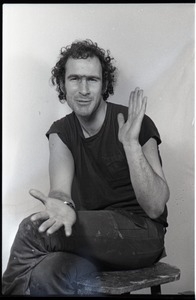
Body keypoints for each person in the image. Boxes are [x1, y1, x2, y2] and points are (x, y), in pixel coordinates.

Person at [2, 39, 170, 296]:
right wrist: (65, 207)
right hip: (91, 239)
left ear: (104, 85)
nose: (83, 89)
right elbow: (60, 191)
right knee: (47, 273)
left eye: (92, 80)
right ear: (62, 84)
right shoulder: (61, 132)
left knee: (30, 230)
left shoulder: (136, 122)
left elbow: (156, 206)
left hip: (143, 236)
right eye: (74, 79)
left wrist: (131, 145)